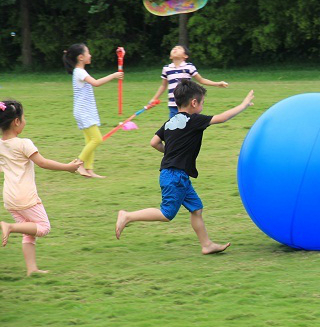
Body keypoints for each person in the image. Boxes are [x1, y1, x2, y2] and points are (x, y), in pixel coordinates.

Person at [116, 80, 254, 254]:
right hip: (175, 176)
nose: (203, 106)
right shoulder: (194, 120)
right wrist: (243, 105)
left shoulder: (170, 122)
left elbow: (154, 142)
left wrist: (170, 153)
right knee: (166, 214)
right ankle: (128, 216)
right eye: (202, 103)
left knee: (196, 208)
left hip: (175, 174)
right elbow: (223, 118)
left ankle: (206, 245)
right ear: (194, 103)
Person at [0, 100, 82, 276]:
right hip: (25, 197)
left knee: (29, 232)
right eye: (23, 117)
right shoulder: (24, 143)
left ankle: (32, 269)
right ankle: (9, 227)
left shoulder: (1, 145)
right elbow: (43, 163)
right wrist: (68, 167)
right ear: (16, 122)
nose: (24, 120)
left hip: (9, 197)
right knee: (43, 227)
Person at [63, 43, 124, 178]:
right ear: (81, 57)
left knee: (89, 140)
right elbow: (96, 83)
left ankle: (89, 169)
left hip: (85, 110)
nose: (90, 55)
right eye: (88, 53)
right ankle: (79, 164)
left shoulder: (79, 71)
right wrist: (114, 75)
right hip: (83, 111)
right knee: (97, 139)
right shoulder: (80, 72)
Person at [149, 45, 229, 119]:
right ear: (170, 56)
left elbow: (201, 80)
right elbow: (163, 86)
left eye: (179, 48)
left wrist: (218, 83)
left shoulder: (189, 67)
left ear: (185, 56)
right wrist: (154, 98)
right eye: (174, 48)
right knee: (173, 128)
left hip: (187, 104)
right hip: (173, 104)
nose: (175, 49)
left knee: (188, 127)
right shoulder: (166, 69)